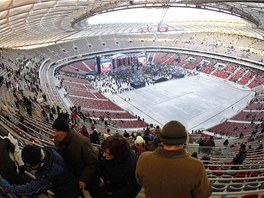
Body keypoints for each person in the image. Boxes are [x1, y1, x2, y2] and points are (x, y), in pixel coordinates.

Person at [136, 120, 212, 198]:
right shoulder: (196, 166)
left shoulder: (144, 158)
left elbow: (139, 181)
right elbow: (203, 194)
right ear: (185, 140)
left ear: (162, 138)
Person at [52, 114, 103, 197]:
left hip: (88, 178)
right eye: (54, 130)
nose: (55, 134)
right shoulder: (57, 139)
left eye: (58, 131)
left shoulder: (82, 142)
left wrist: (83, 179)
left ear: (66, 131)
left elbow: (93, 163)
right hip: (73, 176)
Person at [0, 144, 79, 197]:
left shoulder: (51, 172)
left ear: (38, 162)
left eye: (30, 166)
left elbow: (31, 188)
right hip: (68, 181)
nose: (30, 168)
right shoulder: (49, 151)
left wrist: (10, 189)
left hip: (67, 192)